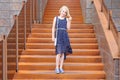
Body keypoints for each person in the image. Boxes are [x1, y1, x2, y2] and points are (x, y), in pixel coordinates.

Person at [52, 5, 72, 74]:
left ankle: (61, 67)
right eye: (63, 11)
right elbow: (53, 28)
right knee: (58, 53)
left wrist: (69, 21)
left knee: (63, 53)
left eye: (65, 12)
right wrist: (53, 37)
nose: (64, 13)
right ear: (60, 10)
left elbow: (68, 28)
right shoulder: (56, 18)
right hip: (58, 36)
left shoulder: (66, 19)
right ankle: (57, 67)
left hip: (64, 36)